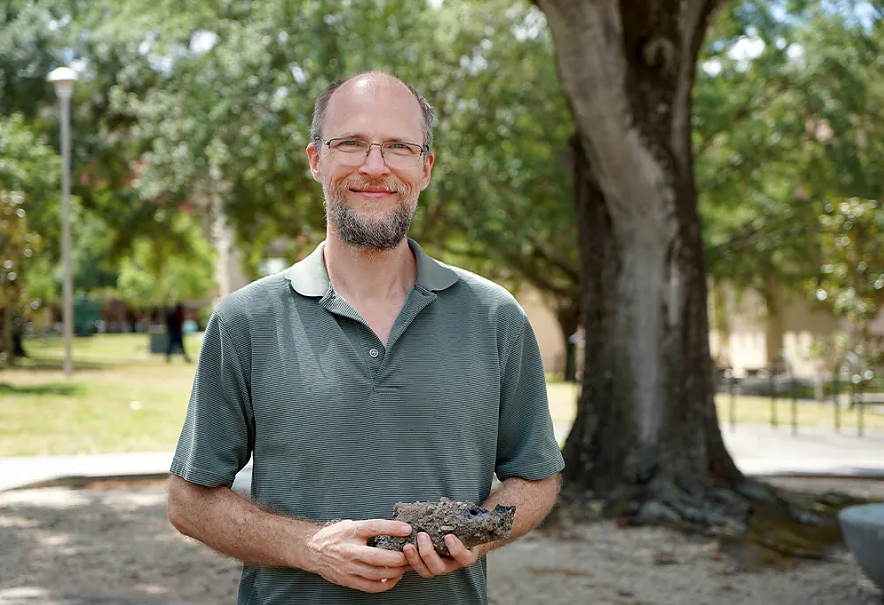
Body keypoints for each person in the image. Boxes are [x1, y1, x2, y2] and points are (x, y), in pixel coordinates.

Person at [166, 71, 564, 605]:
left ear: (424, 168)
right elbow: (189, 500)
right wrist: (308, 546)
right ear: (316, 160)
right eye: (350, 143)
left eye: (398, 147)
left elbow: (536, 478)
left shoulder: (495, 317)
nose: (374, 167)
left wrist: (483, 529)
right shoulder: (246, 319)